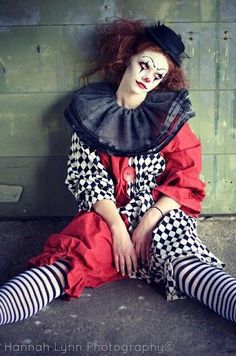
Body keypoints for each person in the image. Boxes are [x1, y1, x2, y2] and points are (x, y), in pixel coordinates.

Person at [0, 19, 235, 325]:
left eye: (157, 74)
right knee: (64, 266)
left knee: (189, 265)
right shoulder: (90, 112)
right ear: (128, 57)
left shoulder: (167, 118)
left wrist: (149, 221)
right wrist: (118, 230)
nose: (148, 77)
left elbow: (187, 178)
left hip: (159, 213)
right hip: (107, 215)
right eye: (144, 65)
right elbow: (88, 179)